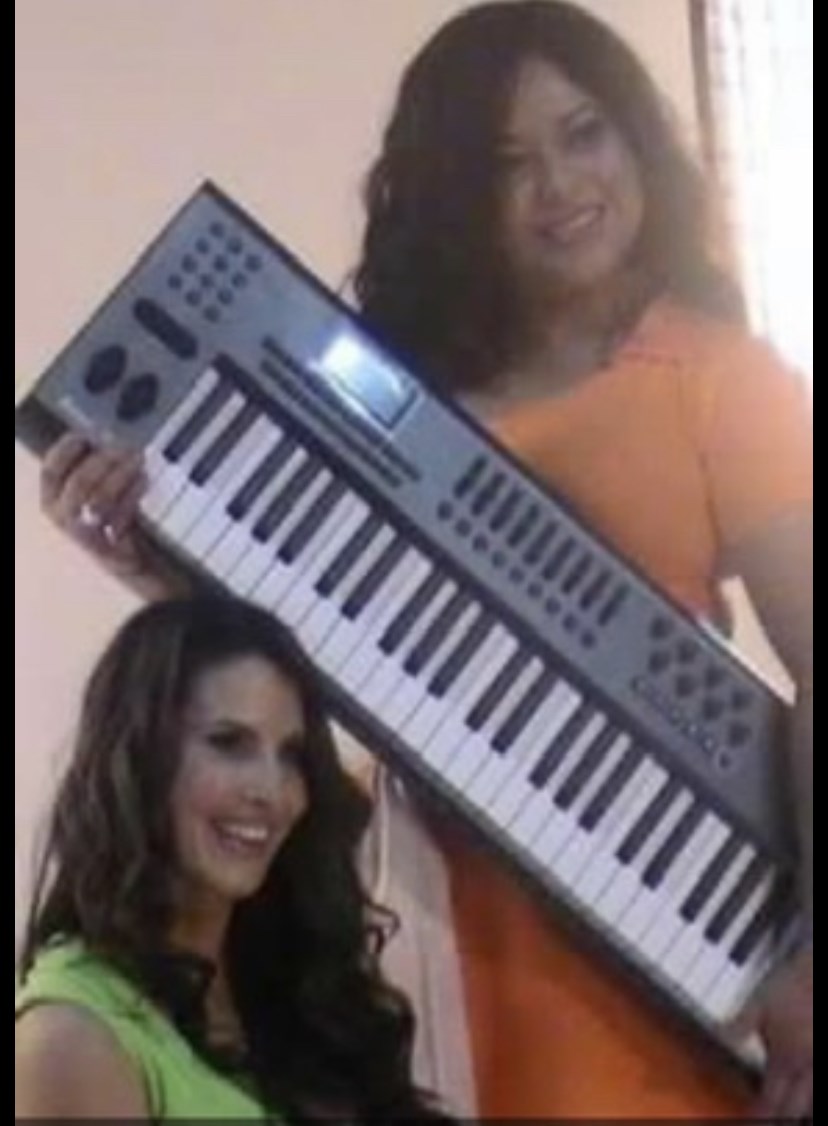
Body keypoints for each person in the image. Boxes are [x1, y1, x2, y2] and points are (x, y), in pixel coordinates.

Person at [36, 0, 812, 1118]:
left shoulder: (722, 380)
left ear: (637, 137)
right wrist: (165, 563)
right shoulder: (408, 393)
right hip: (439, 911)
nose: (560, 185)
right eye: (508, 163)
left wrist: (806, 954)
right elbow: (334, 660)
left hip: (670, 911)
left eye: (583, 133)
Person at [15, 595, 455, 1122]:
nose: (272, 791)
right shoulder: (71, 1040)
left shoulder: (291, 984)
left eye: (291, 755)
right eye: (228, 743)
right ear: (139, 759)